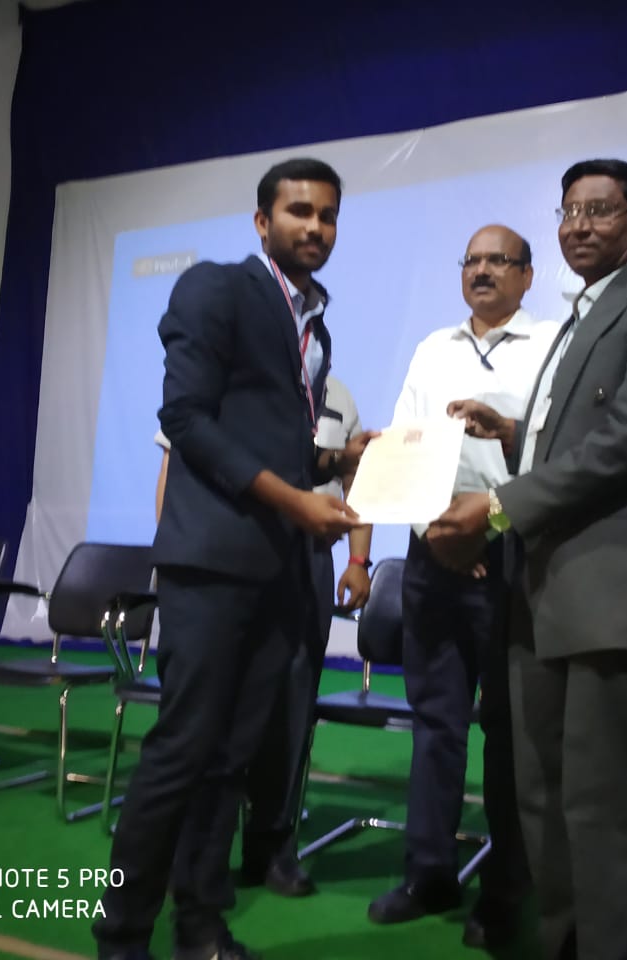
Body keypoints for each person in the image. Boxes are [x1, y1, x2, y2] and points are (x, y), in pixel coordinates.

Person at [428, 159, 627, 960]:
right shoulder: (574, 320)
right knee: (543, 800)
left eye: (600, 210)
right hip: (540, 591)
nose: (580, 225)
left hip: (609, 599)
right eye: (569, 211)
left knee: (609, 811)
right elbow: (579, 435)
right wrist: (514, 435)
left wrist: (498, 505)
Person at [94, 157, 375, 960]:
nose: (314, 226)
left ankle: (200, 926)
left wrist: (340, 460)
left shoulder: (314, 325)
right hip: (213, 564)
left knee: (230, 759)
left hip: (279, 571)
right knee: (182, 752)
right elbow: (186, 418)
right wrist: (295, 502)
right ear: (262, 222)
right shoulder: (216, 289)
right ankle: (121, 935)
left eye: (327, 215)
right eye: (298, 211)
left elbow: (276, 447)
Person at [367, 225, 553, 947]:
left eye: (498, 260)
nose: (482, 271)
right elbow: (403, 447)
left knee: (509, 731)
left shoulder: (552, 345)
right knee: (436, 723)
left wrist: (489, 529)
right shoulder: (431, 349)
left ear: (527, 275)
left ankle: (506, 892)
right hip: (432, 557)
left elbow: (552, 455)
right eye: (471, 260)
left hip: (512, 556)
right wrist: (435, 534)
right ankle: (429, 874)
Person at [150, 374, 372, 900]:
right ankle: (198, 858)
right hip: (228, 554)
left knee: (291, 710)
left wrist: (359, 559)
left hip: (307, 560)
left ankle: (271, 847)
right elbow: (175, 469)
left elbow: (357, 481)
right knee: (209, 707)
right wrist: (177, 557)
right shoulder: (225, 377)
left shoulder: (338, 394)